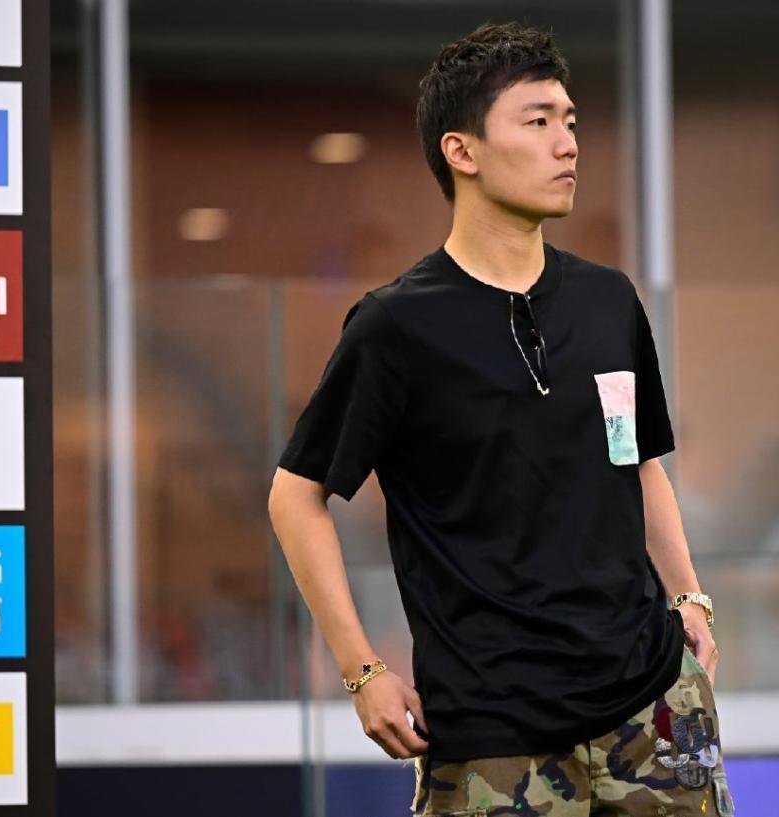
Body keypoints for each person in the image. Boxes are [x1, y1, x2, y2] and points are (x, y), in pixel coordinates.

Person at [267, 22, 733, 817]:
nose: (567, 143)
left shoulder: (608, 301)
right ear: (462, 150)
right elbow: (294, 495)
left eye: (570, 121)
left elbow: (635, 459)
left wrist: (689, 595)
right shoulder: (394, 326)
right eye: (537, 120)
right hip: (491, 736)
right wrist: (361, 669)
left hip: (654, 708)